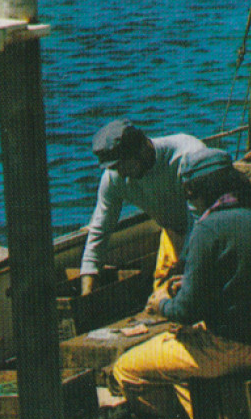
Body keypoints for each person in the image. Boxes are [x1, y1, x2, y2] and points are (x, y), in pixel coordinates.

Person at [109, 147, 251, 419]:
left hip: (227, 350)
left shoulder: (208, 229)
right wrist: (196, 282)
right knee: (177, 367)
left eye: (190, 192)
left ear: (201, 189)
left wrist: (161, 304)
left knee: (125, 369)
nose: (190, 200)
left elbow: (186, 312)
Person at [79, 120, 206, 297]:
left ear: (143, 149)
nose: (121, 173)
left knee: (194, 297)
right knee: (162, 299)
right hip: (173, 233)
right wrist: (87, 290)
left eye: (123, 165)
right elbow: (99, 231)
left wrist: (183, 268)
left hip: (209, 232)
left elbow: (200, 222)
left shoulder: (188, 157)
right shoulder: (114, 177)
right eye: (114, 168)